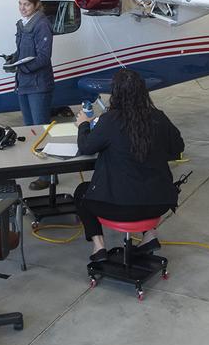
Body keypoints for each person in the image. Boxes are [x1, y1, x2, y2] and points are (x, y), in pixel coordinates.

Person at [73, 69, 185, 261]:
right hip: (159, 203)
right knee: (142, 187)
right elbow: (178, 147)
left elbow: (86, 147)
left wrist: (84, 124)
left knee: (81, 192)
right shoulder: (159, 117)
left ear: (115, 93)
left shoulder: (110, 120)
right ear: (143, 91)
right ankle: (149, 236)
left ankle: (99, 246)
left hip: (118, 207)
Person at [11, 0, 54, 190]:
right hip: (24, 83)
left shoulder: (42, 25)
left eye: (26, 4)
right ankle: (36, 167)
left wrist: (23, 67)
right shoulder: (23, 24)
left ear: (36, 5)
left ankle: (47, 176)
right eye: (20, 4)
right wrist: (13, 59)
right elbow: (22, 51)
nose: (22, 8)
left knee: (41, 130)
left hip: (38, 85)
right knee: (29, 130)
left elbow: (44, 57)